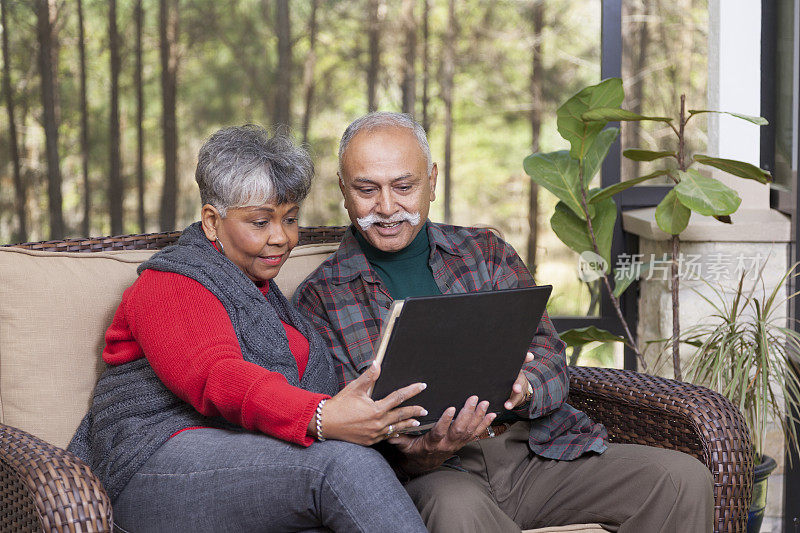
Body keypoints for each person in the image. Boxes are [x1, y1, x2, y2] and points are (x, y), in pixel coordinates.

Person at [294, 112, 715, 533]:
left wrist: (524, 386)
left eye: (404, 187)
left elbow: (550, 356)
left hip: (535, 451)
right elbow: (340, 425)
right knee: (456, 508)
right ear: (344, 191)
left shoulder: (485, 252)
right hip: (433, 475)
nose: (386, 208)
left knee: (680, 479)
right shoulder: (320, 297)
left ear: (433, 181)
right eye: (367, 190)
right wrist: (422, 449)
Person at [68, 124, 429, 532]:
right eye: (260, 222)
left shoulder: (266, 297)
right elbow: (218, 376)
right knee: (342, 466)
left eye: (290, 218)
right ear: (211, 221)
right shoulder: (171, 283)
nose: (281, 237)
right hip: (149, 465)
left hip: (246, 462)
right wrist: (322, 415)